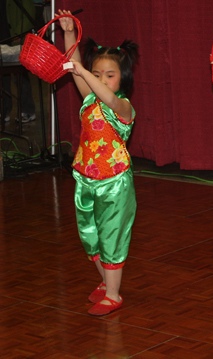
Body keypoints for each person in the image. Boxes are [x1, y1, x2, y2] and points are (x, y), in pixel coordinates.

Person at [57, 9, 139, 316]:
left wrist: (86, 73)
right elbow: (76, 71)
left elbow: (107, 96)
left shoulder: (123, 107)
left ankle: (114, 293)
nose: (101, 80)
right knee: (89, 236)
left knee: (111, 236)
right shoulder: (90, 99)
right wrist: (68, 33)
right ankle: (106, 282)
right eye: (98, 73)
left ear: (123, 78)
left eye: (110, 74)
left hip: (114, 183)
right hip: (85, 178)